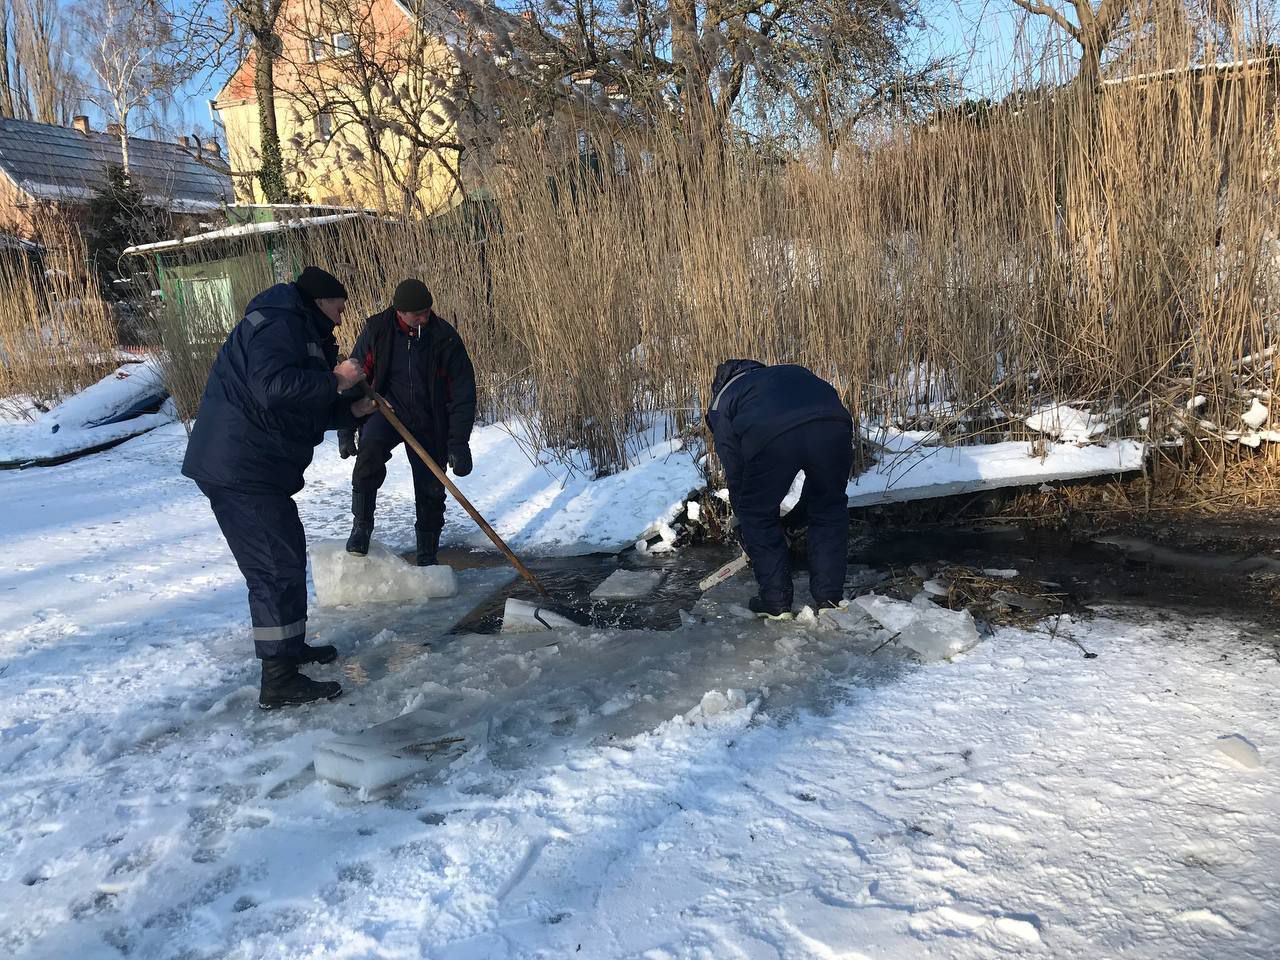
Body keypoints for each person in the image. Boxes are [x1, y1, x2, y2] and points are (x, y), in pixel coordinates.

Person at [182, 266, 374, 709]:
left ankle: (291, 648)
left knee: (286, 556)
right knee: (272, 568)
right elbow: (272, 389)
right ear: (321, 301)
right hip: (239, 466)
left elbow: (298, 407)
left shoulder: (300, 328)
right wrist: (337, 380)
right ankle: (278, 679)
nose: (342, 319)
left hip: (258, 466)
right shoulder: (278, 324)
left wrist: (352, 411)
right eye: (339, 309)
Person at [339, 278, 476, 566]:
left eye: (428, 311)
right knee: (369, 455)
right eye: (418, 314)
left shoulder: (443, 337)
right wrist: (346, 425)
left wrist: (458, 443)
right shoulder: (378, 330)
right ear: (400, 312)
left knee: (431, 487)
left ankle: (427, 555)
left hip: (430, 418)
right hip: (386, 410)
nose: (425, 317)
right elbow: (354, 374)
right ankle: (361, 526)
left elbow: (462, 392)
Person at [706, 360, 853, 619]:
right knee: (828, 508)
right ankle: (830, 600)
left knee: (757, 515)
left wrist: (748, 529)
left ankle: (776, 604)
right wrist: (795, 521)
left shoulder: (722, 400)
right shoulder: (790, 372)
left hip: (773, 435)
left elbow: (738, 476)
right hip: (834, 425)